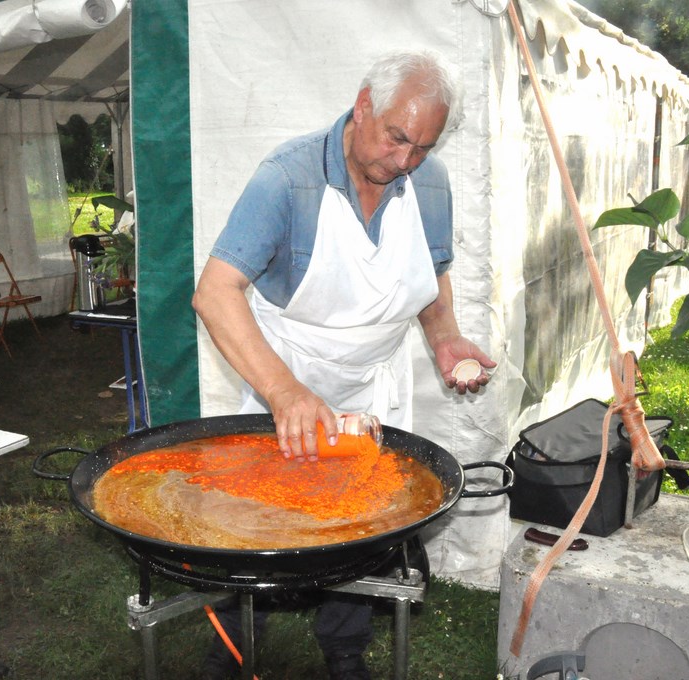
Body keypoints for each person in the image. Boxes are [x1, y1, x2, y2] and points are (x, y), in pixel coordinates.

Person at [192, 49, 495, 680]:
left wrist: (446, 338)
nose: (404, 162)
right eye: (396, 138)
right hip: (285, 377)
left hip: (373, 390)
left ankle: (345, 650)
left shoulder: (428, 181)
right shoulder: (287, 179)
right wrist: (285, 393)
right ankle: (235, 644)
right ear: (363, 106)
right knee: (269, 526)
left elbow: (430, 276)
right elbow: (214, 292)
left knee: (360, 529)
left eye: (422, 147)